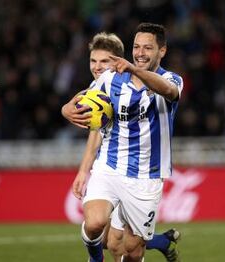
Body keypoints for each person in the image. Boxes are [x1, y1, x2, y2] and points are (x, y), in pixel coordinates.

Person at [62, 29, 181, 262]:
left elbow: (169, 91)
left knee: (133, 250)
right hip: (109, 166)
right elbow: (85, 96)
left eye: (148, 47)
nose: (140, 52)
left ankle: (161, 241)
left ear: (162, 50)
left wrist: (135, 70)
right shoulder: (111, 79)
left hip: (147, 176)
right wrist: (65, 108)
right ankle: (95, 259)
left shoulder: (172, 79)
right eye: (136, 47)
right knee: (97, 225)